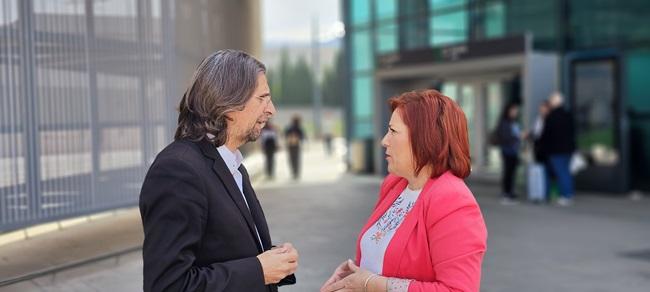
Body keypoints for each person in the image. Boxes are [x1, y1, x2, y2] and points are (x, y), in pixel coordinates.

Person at [139, 49, 298, 292]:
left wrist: (274, 262)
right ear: (229, 102)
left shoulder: (231, 164)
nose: (271, 110)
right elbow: (168, 285)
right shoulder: (178, 171)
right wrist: (259, 270)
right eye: (263, 98)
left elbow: (221, 251)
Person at [321, 90, 487, 292]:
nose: (384, 140)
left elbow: (458, 290)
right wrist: (352, 274)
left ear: (424, 138)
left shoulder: (453, 201)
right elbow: (386, 255)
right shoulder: (395, 184)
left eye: (393, 131)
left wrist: (370, 284)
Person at [539, 92, 576, 206]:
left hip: (555, 150)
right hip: (568, 150)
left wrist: (542, 148)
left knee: (561, 173)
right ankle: (568, 194)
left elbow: (545, 135)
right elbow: (572, 132)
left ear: (554, 102)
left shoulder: (551, 117)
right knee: (566, 172)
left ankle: (566, 195)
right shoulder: (568, 115)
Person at [496, 102, 524, 205]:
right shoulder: (505, 123)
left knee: (511, 172)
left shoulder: (513, 122)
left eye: (516, 111)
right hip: (508, 150)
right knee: (508, 172)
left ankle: (509, 192)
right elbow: (505, 137)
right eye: (513, 111)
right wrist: (517, 137)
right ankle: (506, 194)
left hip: (514, 150)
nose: (515, 113)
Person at [284, 115, 305, 180]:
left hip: (290, 145)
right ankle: (296, 172)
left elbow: (285, 134)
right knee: (296, 159)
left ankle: (294, 172)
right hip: (296, 145)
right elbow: (302, 136)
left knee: (292, 159)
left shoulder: (289, 128)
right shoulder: (298, 128)